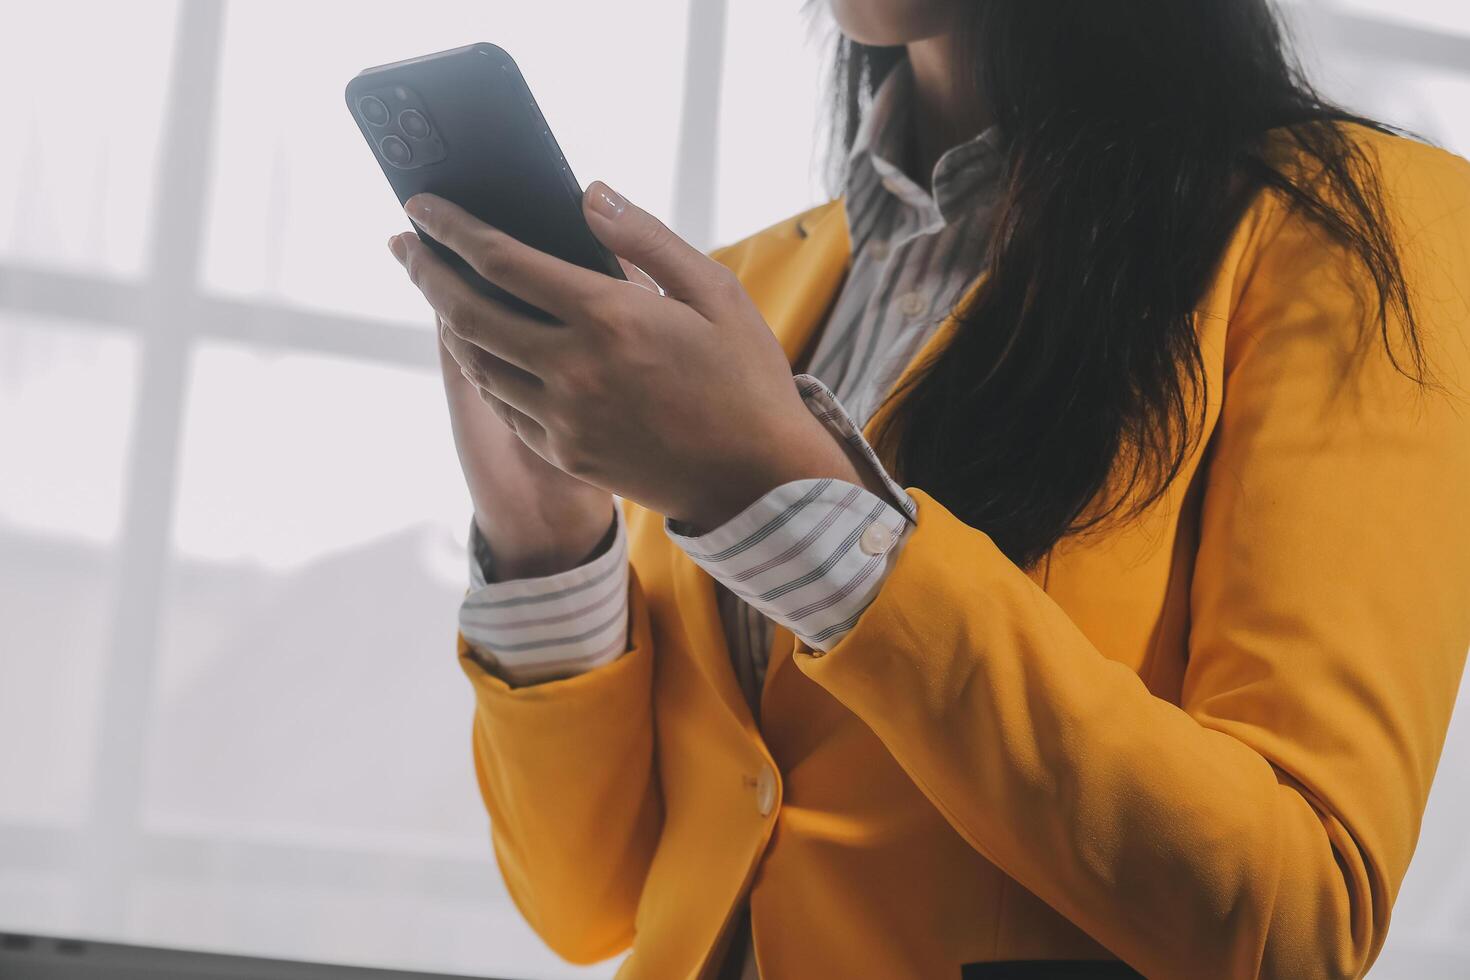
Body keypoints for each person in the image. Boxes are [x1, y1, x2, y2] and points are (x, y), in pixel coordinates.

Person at [385, 1, 1470, 976]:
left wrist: (775, 491)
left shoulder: (1363, 229)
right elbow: (590, 903)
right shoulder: (743, 292)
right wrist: (545, 532)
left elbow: (1297, 919)